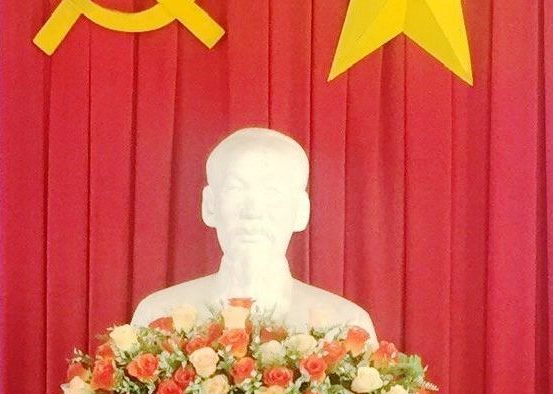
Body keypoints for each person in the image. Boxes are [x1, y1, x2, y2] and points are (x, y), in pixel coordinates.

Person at [131, 127, 374, 332]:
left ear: (301, 211)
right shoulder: (158, 316)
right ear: (210, 205)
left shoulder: (345, 325)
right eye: (235, 190)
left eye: (272, 193)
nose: (253, 212)